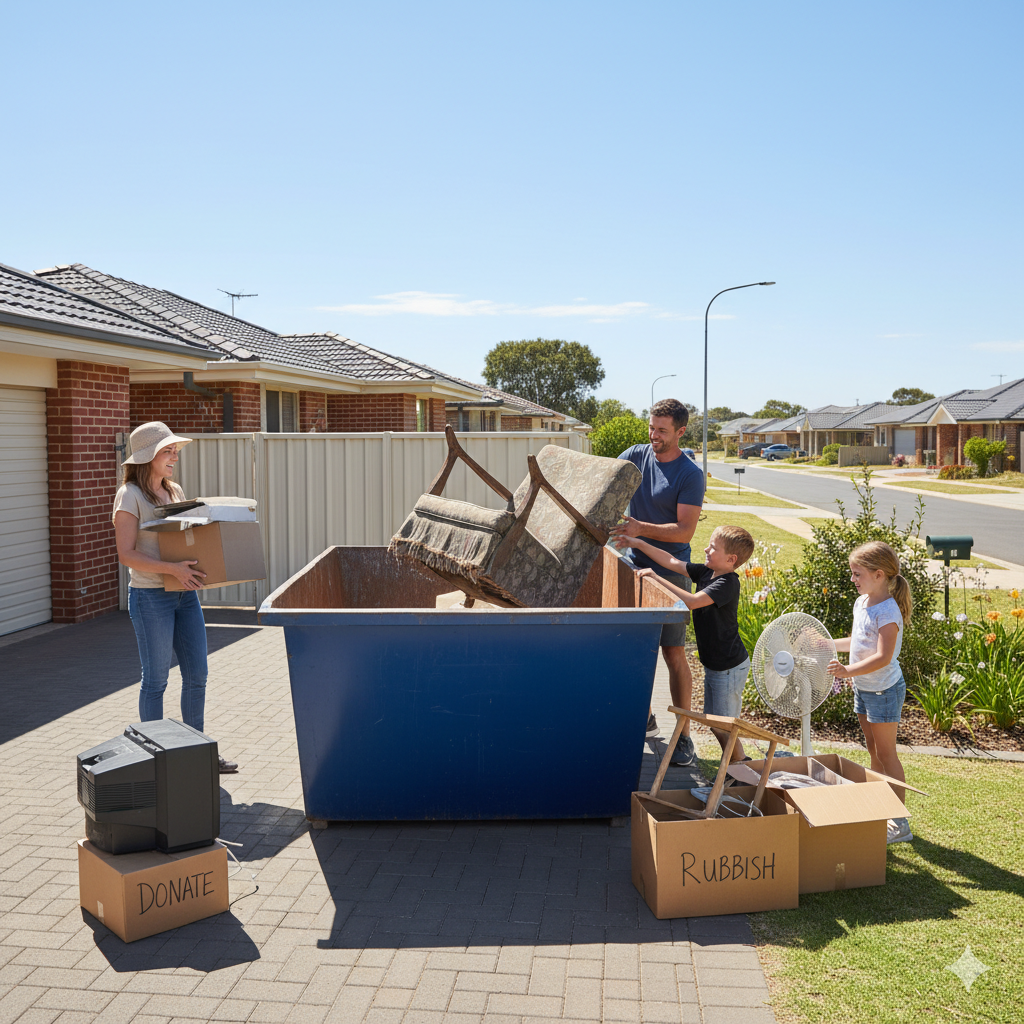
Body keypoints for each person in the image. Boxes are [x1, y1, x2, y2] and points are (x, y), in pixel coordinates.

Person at [112, 421, 238, 774]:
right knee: (156, 680)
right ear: (148, 456)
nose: (174, 457)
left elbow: (184, 538)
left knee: (197, 674)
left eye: (175, 451)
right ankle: (153, 759)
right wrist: (173, 570)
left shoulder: (175, 490)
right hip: (151, 596)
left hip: (184, 594)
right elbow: (126, 554)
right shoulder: (130, 497)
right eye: (168, 451)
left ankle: (196, 755)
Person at [611, 399, 705, 766]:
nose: (654, 436)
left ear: (681, 431)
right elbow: (609, 482)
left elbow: (685, 529)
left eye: (662, 431)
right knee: (630, 648)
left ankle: (682, 735)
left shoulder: (689, 474)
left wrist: (639, 528)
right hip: (632, 564)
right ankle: (645, 717)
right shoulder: (636, 454)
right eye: (651, 428)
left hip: (669, 572)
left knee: (673, 653)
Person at [615, 526, 756, 764]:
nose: (705, 548)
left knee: (722, 726)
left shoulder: (727, 584)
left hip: (729, 668)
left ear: (731, 559)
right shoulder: (706, 572)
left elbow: (691, 601)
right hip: (716, 665)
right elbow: (671, 560)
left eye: (713, 547)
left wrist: (655, 578)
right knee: (715, 723)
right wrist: (638, 543)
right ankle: (736, 768)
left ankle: (741, 767)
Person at [826, 540, 912, 844]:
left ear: (879, 575)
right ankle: (879, 808)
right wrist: (828, 643)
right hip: (864, 688)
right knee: (873, 751)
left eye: (857, 573)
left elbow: (883, 657)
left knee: (887, 753)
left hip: (884, 691)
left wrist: (848, 671)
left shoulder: (888, 612)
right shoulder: (862, 603)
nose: (853, 579)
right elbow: (858, 640)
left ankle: (899, 820)